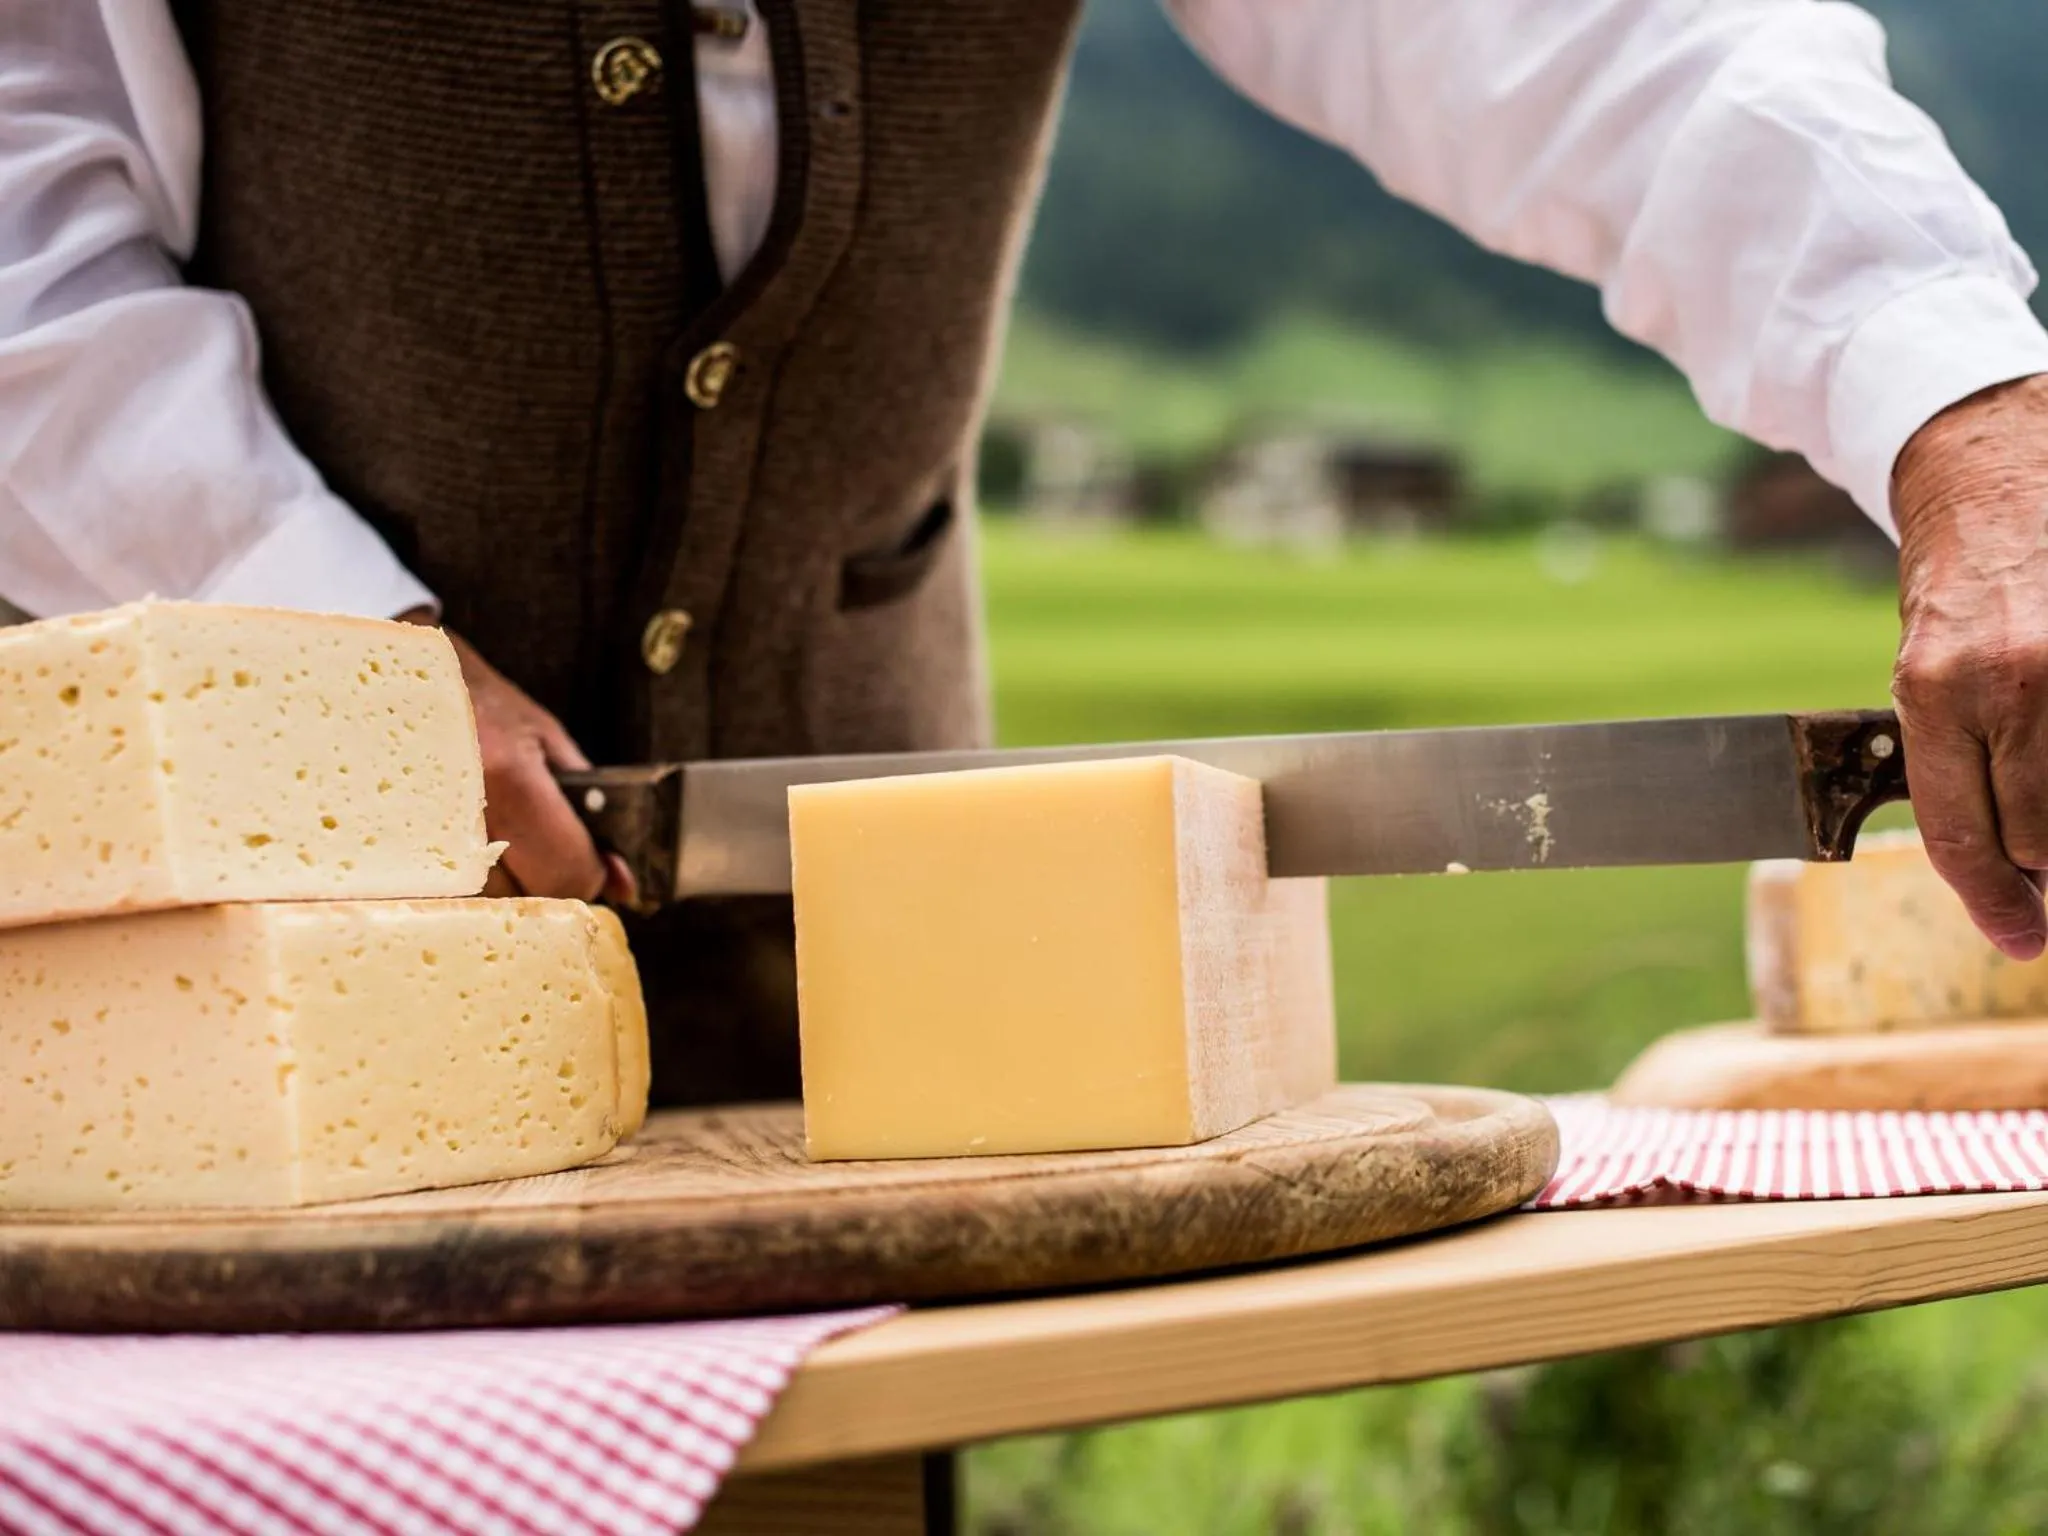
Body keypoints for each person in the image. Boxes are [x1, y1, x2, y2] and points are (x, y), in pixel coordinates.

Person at [8, 1, 2048, 1105]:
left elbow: (1609, 42)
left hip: (896, 1035)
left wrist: (1966, 405)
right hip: (212, 1022)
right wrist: (321, 651)